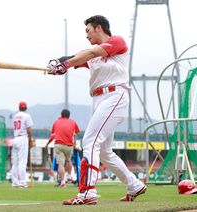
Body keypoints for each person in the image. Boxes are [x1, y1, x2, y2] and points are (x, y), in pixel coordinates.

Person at [47, 15, 146, 205]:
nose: (86, 35)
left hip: (114, 95)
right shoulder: (91, 54)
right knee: (104, 152)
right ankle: (134, 185)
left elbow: (89, 54)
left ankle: (87, 192)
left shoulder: (115, 41)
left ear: (99, 28)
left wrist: (65, 65)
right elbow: (75, 58)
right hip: (98, 99)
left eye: (88, 30)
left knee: (90, 140)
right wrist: (57, 63)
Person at [46, 109, 80, 188]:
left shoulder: (56, 122)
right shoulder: (73, 122)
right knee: (68, 161)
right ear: (69, 115)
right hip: (69, 145)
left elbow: (53, 135)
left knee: (60, 164)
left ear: (61, 115)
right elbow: (76, 134)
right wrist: (74, 144)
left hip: (59, 145)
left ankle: (63, 181)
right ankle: (69, 176)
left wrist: (47, 143)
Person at [11, 101, 34, 188]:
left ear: (19, 108)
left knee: (15, 162)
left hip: (15, 138)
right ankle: (22, 182)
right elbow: (29, 129)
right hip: (23, 138)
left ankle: (15, 182)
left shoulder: (15, 116)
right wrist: (31, 139)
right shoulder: (27, 116)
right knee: (22, 161)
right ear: (26, 108)